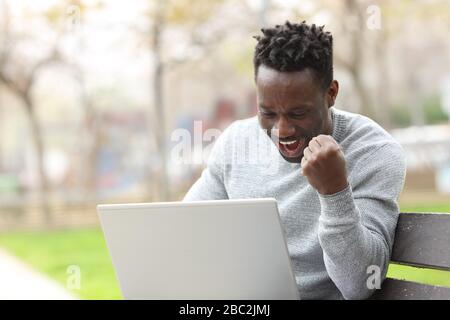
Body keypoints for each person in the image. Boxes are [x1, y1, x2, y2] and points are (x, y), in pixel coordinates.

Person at [183, 21, 406, 300]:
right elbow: (185, 231)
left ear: (331, 93)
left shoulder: (375, 152)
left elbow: (361, 284)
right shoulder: (236, 141)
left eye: (298, 113)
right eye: (268, 112)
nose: (282, 129)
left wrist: (335, 191)